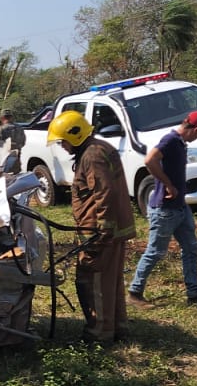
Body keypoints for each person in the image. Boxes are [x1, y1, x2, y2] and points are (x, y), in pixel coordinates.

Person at [48, 110, 135, 342]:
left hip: (98, 230)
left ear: (74, 135)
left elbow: (103, 192)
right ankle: (118, 327)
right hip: (107, 229)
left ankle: (99, 332)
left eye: (63, 141)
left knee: (92, 281)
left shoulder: (92, 155)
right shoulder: (97, 148)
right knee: (110, 281)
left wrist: (102, 230)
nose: (63, 147)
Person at [128, 111, 197, 306]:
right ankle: (134, 292)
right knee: (155, 252)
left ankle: (194, 293)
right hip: (165, 210)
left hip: (180, 207)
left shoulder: (180, 143)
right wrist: (167, 184)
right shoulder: (171, 140)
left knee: (191, 248)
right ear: (195, 129)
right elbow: (150, 160)